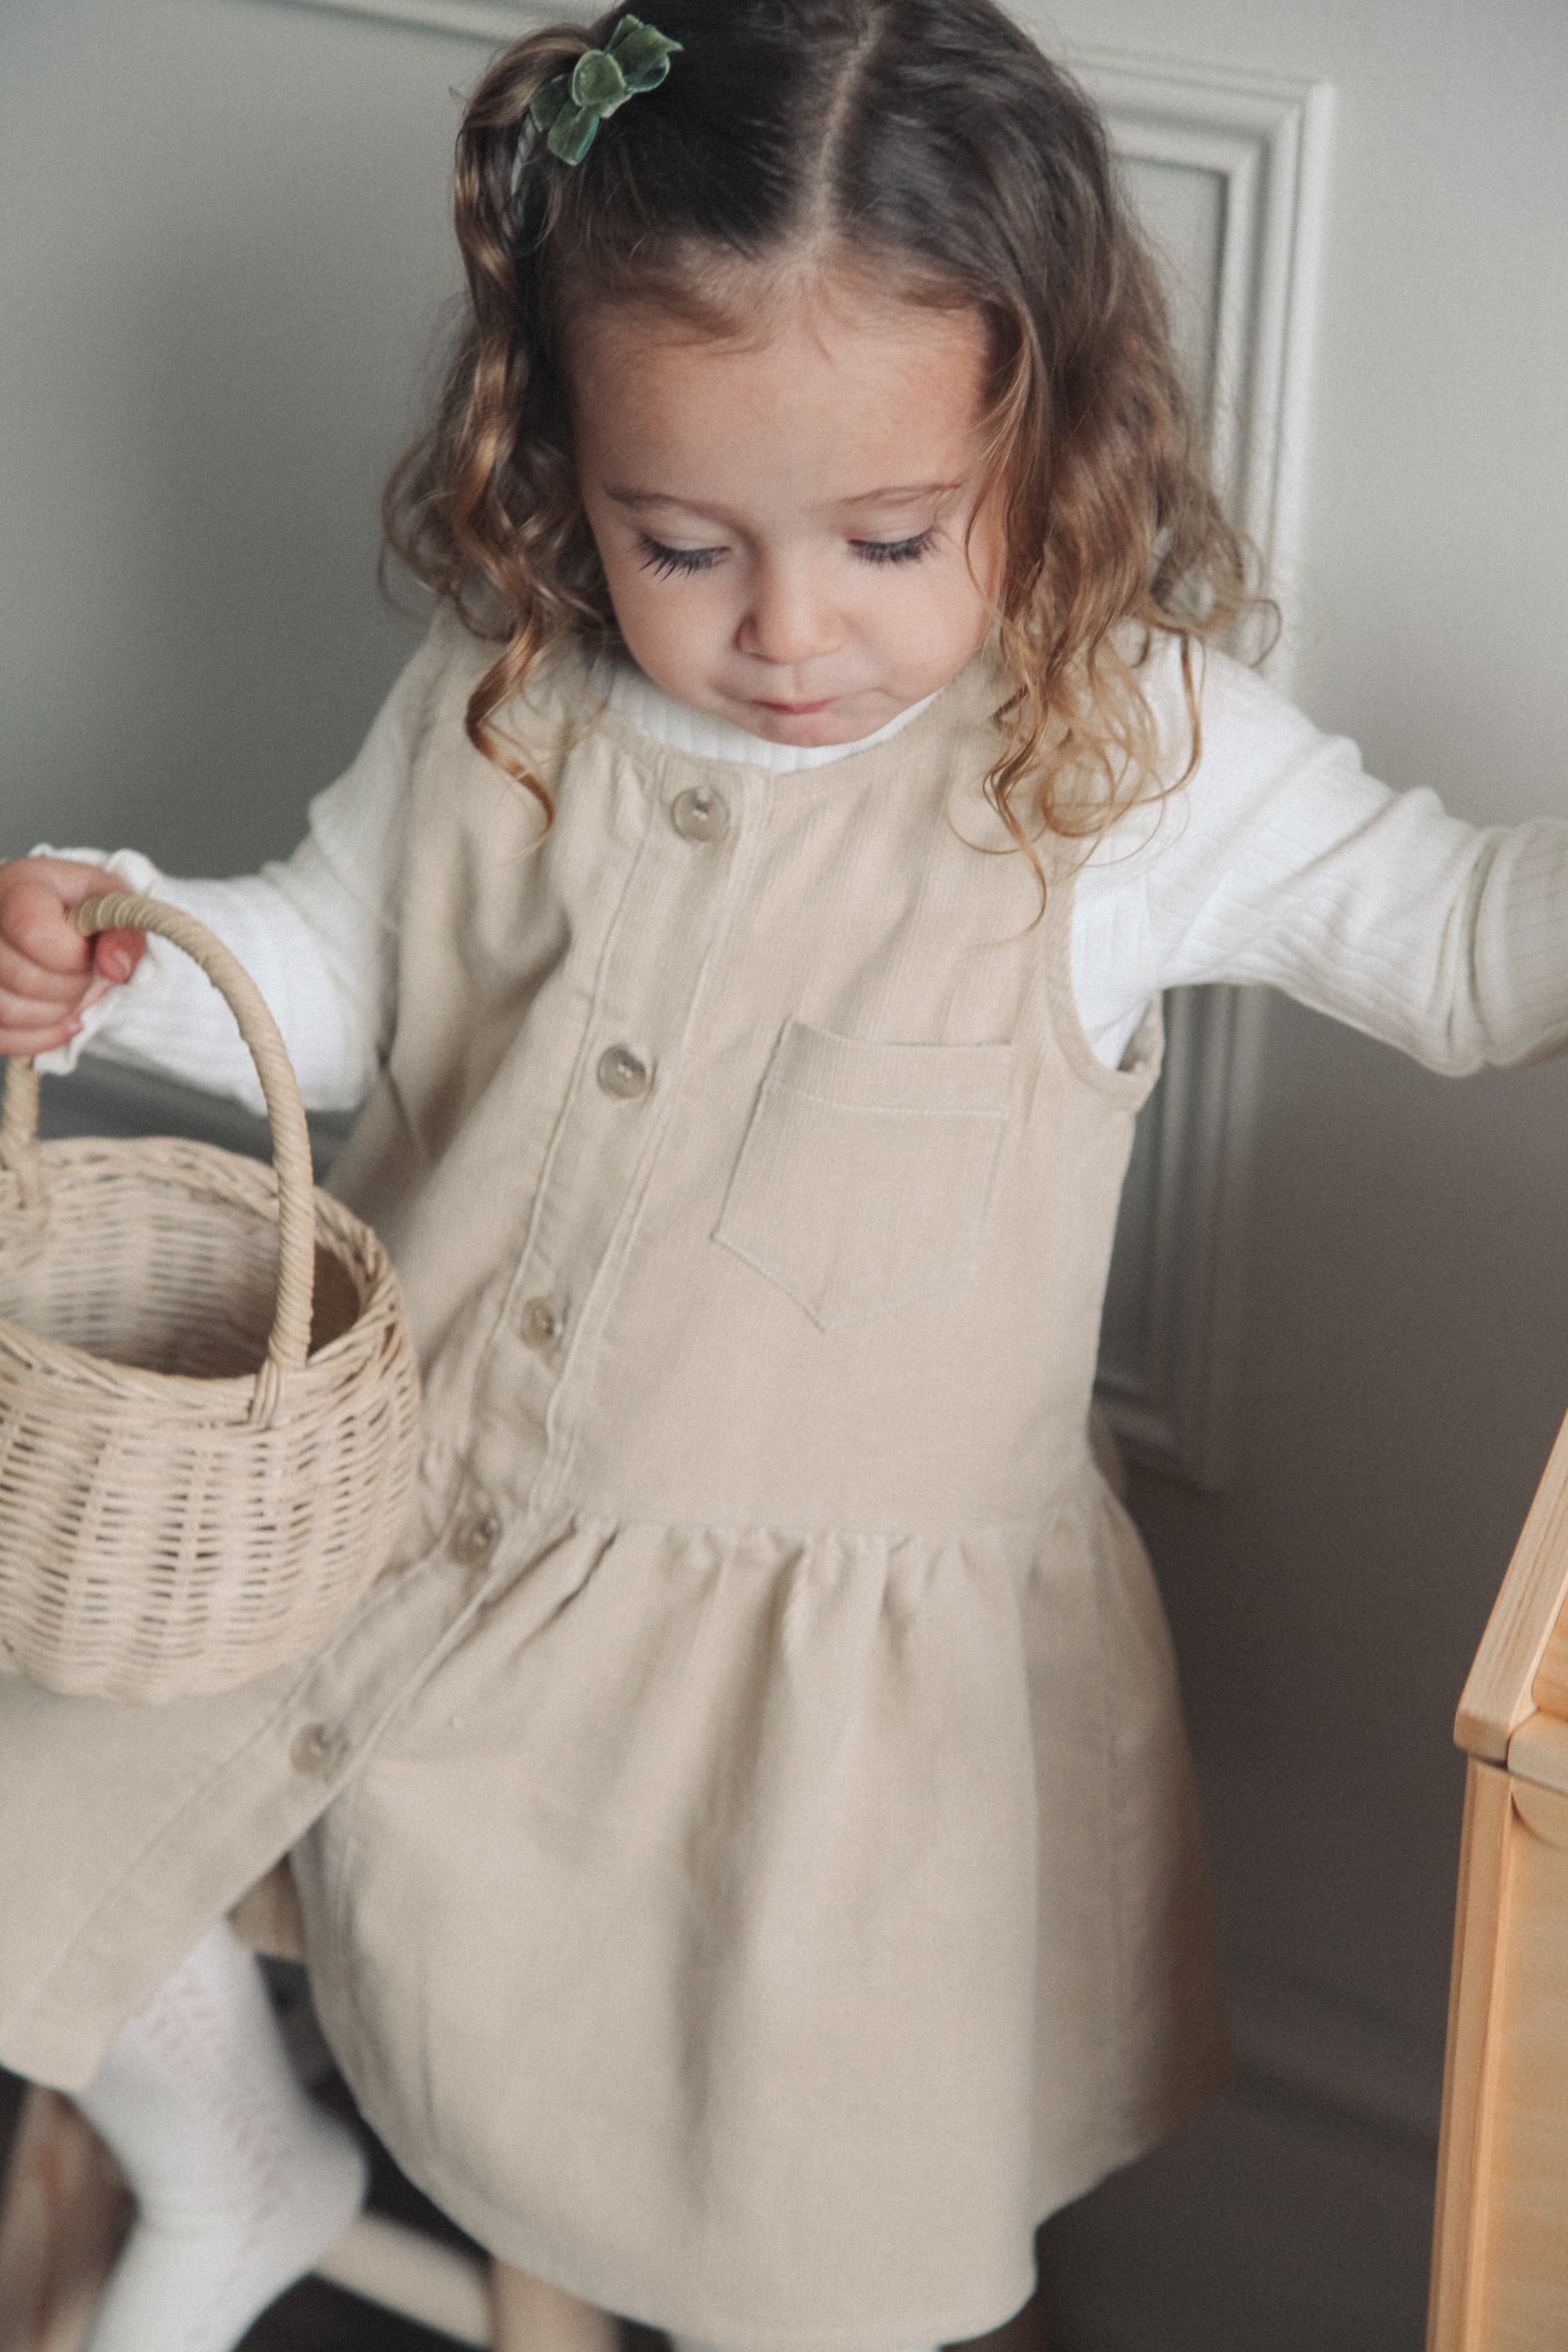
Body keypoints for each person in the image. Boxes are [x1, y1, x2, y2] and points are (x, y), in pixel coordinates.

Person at [2, 4, 1566, 2350]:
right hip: (387, 1532)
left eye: (891, 538)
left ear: (1050, 441)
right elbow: (340, 986)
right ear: (565, 462)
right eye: (682, 543)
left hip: (793, 1739)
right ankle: (231, 2168)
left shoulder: (1128, 756)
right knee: (45, 1825)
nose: (789, 628)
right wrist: (125, 960)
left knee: (786, 2220)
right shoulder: (511, 686)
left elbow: (1460, 946)